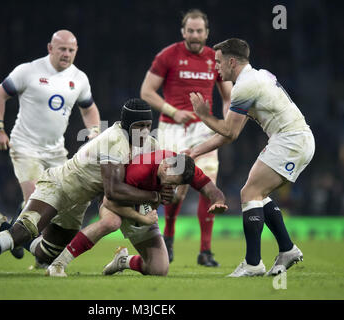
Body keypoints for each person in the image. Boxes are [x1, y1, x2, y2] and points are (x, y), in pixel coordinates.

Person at [0, 98, 174, 277]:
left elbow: (158, 172)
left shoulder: (148, 143)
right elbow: (113, 191)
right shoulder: (112, 140)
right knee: (21, 234)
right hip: (59, 186)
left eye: (146, 126)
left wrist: (167, 187)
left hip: (80, 202)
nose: (143, 132)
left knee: (46, 254)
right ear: (126, 125)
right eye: (138, 127)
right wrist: (153, 195)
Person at [187, 38, 315, 277]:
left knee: (249, 194)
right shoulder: (258, 76)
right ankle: (286, 249)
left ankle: (253, 263)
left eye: (218, 62)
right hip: (293, 139)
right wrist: (195, 151)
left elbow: (229, 131)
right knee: (257, 193)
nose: (215, 67)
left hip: (290, 140)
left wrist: (204, 115)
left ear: (232, 61)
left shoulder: (243, 87)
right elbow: (229, 135)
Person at [0, 30, 101, 259]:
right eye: (62, 49)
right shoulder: (28, 71)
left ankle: (3, 227)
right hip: (25, 147)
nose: (66, 54)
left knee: (60, 204)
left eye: (71, 50)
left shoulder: (80, 78)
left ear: (76, 52)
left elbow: (89, 108)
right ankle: (20, 240)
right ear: (50, 48)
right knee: (36, 198)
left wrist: (94, 131)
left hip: (56, 151)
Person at [140, 9, 232, 266]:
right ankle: (167, 240)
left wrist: (225, 122)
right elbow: (146, 91)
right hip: (172, 128)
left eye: (199, 31)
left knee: (208, 187)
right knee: (174, 189)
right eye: (190, 31)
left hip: (204, 130)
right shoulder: (168, 55)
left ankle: (205, 251)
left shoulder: (215, 59)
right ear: (183, 32)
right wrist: (173, 111)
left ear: (207, 33)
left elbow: (228, 96)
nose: (194, 35)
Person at [45, 150, 228, 277]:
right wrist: (142, 216)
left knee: (160, 269)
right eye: (170, 182)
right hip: (117, 202)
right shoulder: (140, 170)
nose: (171, 187)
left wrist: (218, 202)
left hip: (144, 206)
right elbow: (110, 201)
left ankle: (123, 260)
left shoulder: (184, 168)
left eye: (175, 185)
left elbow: (212, 189)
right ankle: (59, 263)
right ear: (165, 166)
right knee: (111, 223)